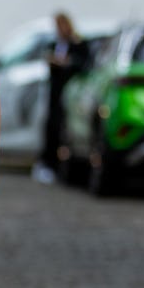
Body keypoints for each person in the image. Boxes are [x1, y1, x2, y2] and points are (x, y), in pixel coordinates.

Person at [35, 12, 90, 181]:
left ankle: (62, 169)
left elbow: (83, 64)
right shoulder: (53, 44)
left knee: (67, 130)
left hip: (72, 94)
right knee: (52, 127)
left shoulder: (78, 44)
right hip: (55, 94)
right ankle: (48, 164)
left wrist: (66, 63)